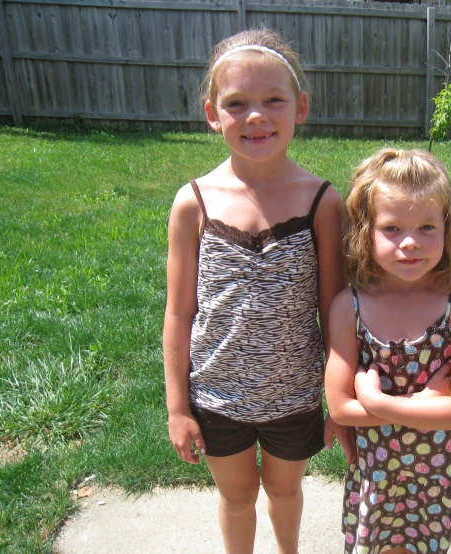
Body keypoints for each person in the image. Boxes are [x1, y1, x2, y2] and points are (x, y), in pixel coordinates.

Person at [163, 29, 354, 554]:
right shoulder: (193, 202)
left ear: (301, 108)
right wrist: (178, 406)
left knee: (284, 489)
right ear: (211, 114)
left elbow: (335, 310)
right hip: (216, 396)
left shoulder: (322, 201)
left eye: (274, 100)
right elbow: (179, 313)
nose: (256, 116)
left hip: (293, 395)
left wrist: (338, 400)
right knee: (238, 495)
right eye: (236, 103)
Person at [325, 148, 451, 554]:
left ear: (448, 229)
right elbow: (340, 407)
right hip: (379, 471)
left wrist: (375, 399)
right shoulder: (350, 306)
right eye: (392, 228)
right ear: (366, 232)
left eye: (427, 227)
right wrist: (429, 402)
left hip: (439, 470)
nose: (411, 242)